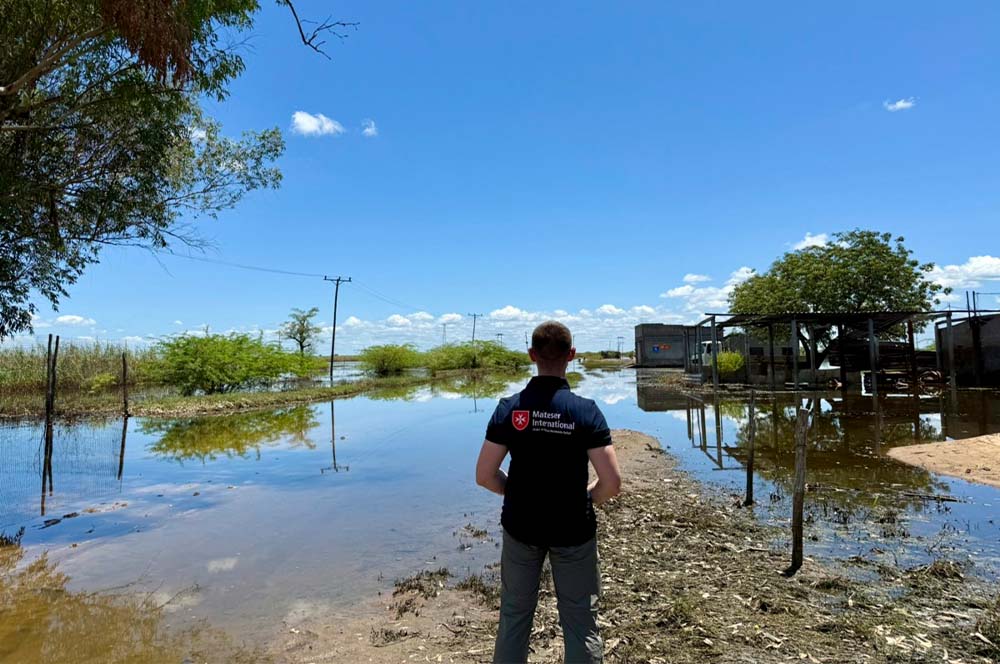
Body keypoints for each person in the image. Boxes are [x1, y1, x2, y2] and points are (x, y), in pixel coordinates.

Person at [475, 320, 622, 664]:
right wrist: (585, 498)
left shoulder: (509, 409)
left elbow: (484, 475)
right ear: (571, 355)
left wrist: (517, 493)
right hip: (573, 529)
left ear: (531, 355)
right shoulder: (586, 411)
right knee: (581, 621)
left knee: (514, 616)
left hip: (520, 526)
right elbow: (612, 483)